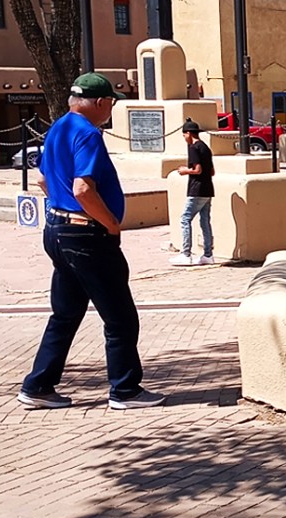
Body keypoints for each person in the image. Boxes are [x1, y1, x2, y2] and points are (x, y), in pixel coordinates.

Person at [18, 72, 166, 410]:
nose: (111, 108)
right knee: (120, 317)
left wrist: (62, 206)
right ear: (100, 102)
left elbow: (42, 179)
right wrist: (110, 223)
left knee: (65, 314)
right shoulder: (87, 133)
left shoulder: (58, 128)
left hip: (57, 230)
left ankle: (38, 385)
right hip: (86, 235)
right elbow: (83, 188)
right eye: (111, 102)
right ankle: (125, 390)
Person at [170, 118, 215, 267]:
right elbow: (211, 171)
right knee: (204, 221)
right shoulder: (205, 148)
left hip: (197, 190)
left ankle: (186, 254)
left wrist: (185, 170)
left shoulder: (193, 148)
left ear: (188, 133)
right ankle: (208, 255)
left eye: (184, 135)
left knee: (185, 219)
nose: (184, 138)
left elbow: (198, 170)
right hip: (208, 189)